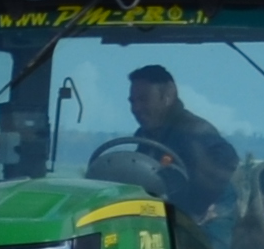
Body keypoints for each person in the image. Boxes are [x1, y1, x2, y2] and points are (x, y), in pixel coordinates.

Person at [99, 62, 243, 224]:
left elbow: (229, 162)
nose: (136, 108)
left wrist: (198, 212)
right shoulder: (146, 136)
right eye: (132, 101)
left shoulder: (195, 131)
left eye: (143, 99)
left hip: (211, 220)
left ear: (168, 96)